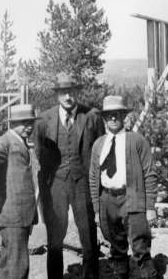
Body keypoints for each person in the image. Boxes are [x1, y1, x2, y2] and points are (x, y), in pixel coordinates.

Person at [34, 73, 105, 279]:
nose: (68, 97)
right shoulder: (43, 120)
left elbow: (100, 147)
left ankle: (91, 275)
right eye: (63, 93)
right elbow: (40, 152)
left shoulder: (91, 117)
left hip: (82, 181)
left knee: (87, 232)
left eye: (71, 93)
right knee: (55, 235)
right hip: (55, 183)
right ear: (57, 95)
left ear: (77, 93)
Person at [89, 95, 158, 279]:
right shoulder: (99, 145)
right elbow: (94, 178)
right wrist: (97, 209)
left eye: (117, 114)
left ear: (123, 116)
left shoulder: (136, 141)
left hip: (132, 199)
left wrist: (150, 207)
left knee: (140, 248)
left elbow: (150, 174)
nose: (113, 118)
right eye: (109, 115)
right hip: (108, 201)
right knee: (117, 250)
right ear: (104, 118)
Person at [0, 104, 39, 279]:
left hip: (18, 215)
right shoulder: (5, 142)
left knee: (9, 264)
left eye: (31, 122)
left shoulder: (20, 142)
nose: (29, 126)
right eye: (23, 122)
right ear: (12, 123)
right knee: (18, 266)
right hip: (12, 215)